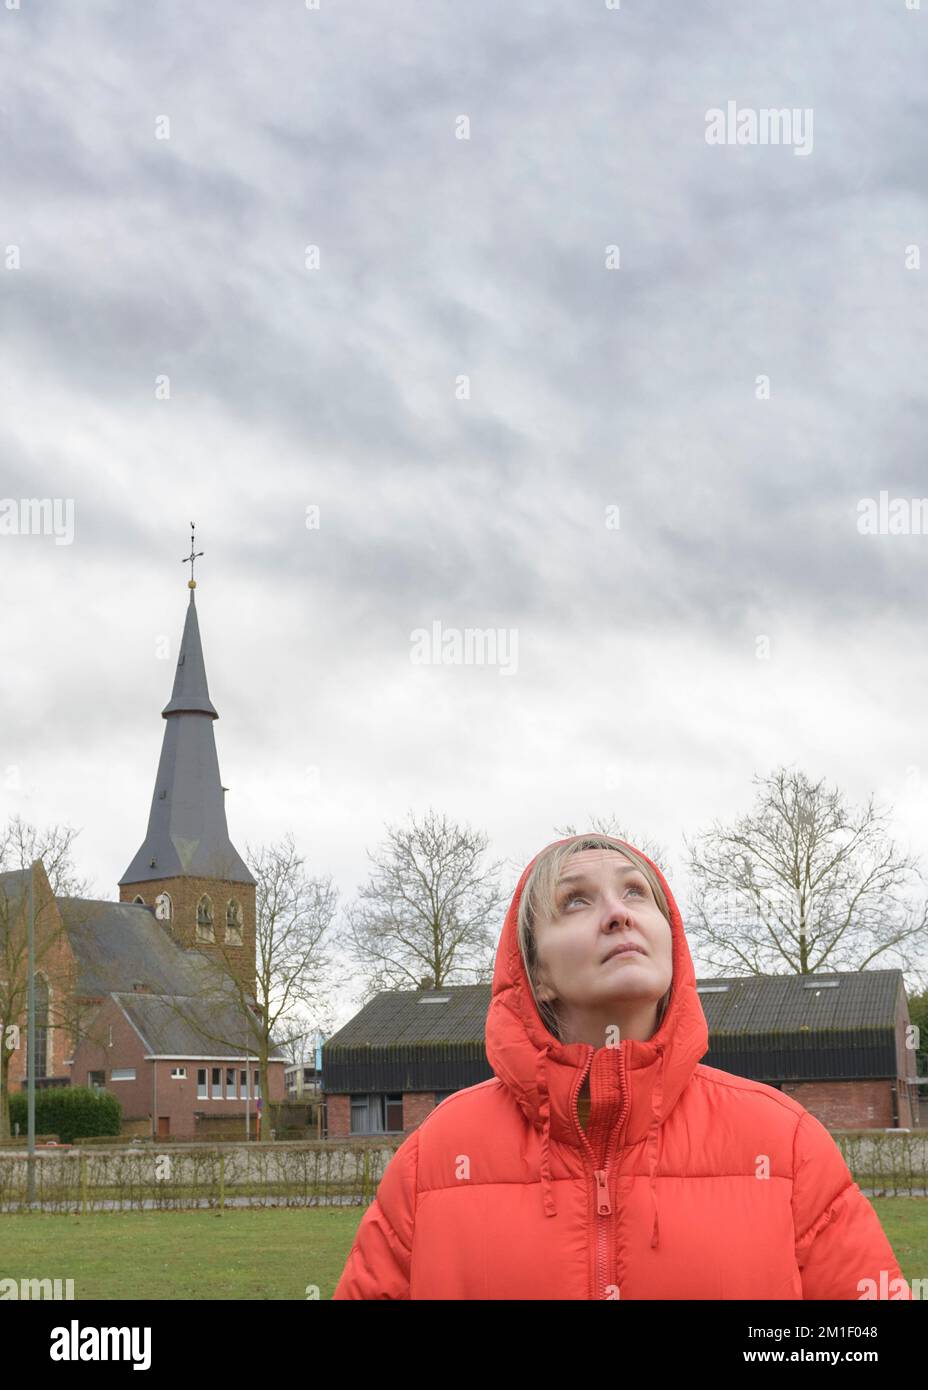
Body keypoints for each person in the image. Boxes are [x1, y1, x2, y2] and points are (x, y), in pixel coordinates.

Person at [332, 834, 911, 1299]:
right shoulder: (434, 1157)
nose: (617, 914)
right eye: (576, 900)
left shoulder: (786, 1143)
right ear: (537, 974)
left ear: (671, 940)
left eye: (637, 893)